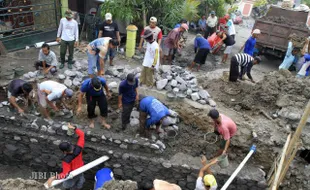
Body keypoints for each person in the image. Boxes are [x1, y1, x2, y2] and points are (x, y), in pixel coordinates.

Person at [46, 123, 85, 189]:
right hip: (81, 170)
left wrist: (53, 177)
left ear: (64, 151)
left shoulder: (66, 160)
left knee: (67, 185)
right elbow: (82, 135)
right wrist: (74, 128)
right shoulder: (79, 148)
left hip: (72, 176)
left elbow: (65, 174)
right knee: (80, 182)